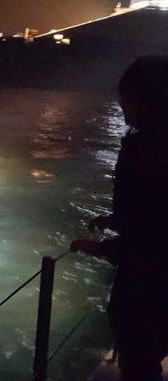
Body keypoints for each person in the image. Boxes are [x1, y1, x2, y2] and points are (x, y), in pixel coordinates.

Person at [71, 55, 168, 381]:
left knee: (139, 362)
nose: (122, 104)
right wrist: (118, 219)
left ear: (144, 97)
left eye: (126, 95)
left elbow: (154, 235)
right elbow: (154, 207)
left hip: (149, 285)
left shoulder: (147, 148)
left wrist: (102, 249)